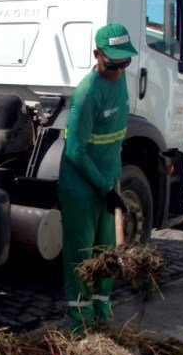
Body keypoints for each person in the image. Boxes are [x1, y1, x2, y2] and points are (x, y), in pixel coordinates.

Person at [58, 23, 137, 332]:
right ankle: (80, 328)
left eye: (124, 63)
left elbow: (114, 138)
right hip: (80, 187)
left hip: (107, 184)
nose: (119, 70)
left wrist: (113, 182)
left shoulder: (119, 80)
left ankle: (102, 321)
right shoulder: (87, 93)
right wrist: (105, 187)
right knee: (81, 259)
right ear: (97, 55)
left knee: (106, 255)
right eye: (112, 63)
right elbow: (75, 151)